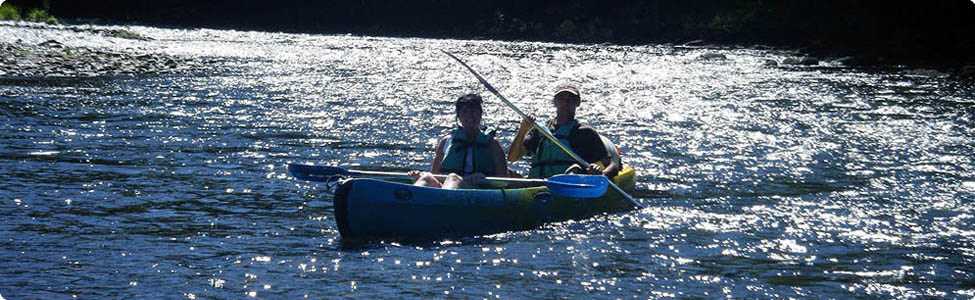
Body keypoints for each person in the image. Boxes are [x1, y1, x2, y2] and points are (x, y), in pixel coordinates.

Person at [507, 82, 621, 179]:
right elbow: (512, 158)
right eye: (562, 98)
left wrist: (601, 174)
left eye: (571, 99)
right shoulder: (539, 130)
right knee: (506, 172)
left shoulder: (585, 132)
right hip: (538, 184)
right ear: (555, 102)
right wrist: (522, 131)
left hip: (568, 186)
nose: (566, 102)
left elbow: (612, 165)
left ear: (578, 103)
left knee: (575, 169)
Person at [409, 93, 508, 189]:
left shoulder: (492, 143)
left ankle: (444, 201)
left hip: (477, 188)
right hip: (448, 186)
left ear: (480, 113)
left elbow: (503, 181)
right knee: (426, 177)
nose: (469, 116)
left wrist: (484, 178)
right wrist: (419, 175)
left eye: (473, 111)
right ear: (458, 116)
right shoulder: (446, 141)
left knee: (453, 178)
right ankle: (412, 197)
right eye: (464, 112)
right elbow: (435, 175)